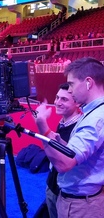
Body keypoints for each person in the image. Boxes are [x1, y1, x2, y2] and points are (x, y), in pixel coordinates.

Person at [35, 57, 104, 218]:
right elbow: (78, 153)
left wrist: (42, 128)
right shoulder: (94, 112)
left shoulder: (96, 119)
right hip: (80, 200)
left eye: (72, 84)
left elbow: (64, 164)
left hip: (81, 205)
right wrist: (58, 141)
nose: (70, 90)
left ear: (88, 82)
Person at [35, 83, 82, 218]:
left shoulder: (80, 128)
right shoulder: (63, 123)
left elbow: (67, 160)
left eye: (64, 99)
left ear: (77, 103)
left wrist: (43, 126)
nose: (57, 102)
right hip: (53, 185)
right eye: (57, 98)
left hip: (68, 192)